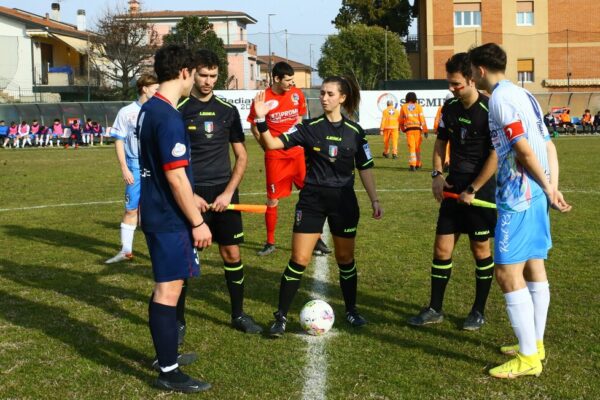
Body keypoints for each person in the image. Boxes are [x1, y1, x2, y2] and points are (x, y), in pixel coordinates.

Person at [469, 42, 571, 379]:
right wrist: (552, 187)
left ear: (480, 70)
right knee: (534, 269)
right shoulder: (525, 94)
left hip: (519, 199)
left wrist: (544, 186)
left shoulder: (499, 100)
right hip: (537, 196)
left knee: (506, 274)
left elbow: (525, 151)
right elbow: (549, 144)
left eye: (471, 71)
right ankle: (535, 344)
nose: (470, 77)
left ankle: (528, 358)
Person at [252, 75, 383, 338]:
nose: (324, 98)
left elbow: (365, 168)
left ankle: (352, 311)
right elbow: (272, 144)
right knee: (299, 259)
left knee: (345, 259)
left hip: (344, 202)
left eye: (330, 94)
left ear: (342, 98)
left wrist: (374, 199)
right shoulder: (309, 127)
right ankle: (280, 318)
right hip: (312, 201)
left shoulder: (355, 132)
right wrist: (260, 119)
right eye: (322, 93)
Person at [138, 44, 211, 393]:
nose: (195, 80)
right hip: (169, 218)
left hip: (158, 209)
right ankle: (168, 370)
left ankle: (165, 356)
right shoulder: (168, 115)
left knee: (168, 287)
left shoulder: (149, 108)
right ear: (184, 72)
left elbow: (163, 169)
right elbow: (174, 176)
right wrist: (196, 220)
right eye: (195, 73)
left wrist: (190, 194)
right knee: (168, 290)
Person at [408, 53, 497, 331]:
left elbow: (495, 156)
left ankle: (478, 311)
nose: (452, 88)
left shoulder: (490, 110)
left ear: (472, 79)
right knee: (441, 248)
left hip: (479, 191)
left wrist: (473, 189)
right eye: (450, 83)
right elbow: (440, 144)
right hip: (452, 188)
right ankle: (435, 308)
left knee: (480, 250)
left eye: (456, 84)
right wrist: (437, 174)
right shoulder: (450, 108)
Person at [176, 49, 262, 334]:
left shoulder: (228, 111)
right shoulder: (179, 111)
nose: (208, 81)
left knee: (232, 254)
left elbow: (242, 156)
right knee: (185, 260)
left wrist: (227, 194)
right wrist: (190, 195)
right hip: (191, 193)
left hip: (224, 192)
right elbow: (171, 163)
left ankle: (238, 315)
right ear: (192, 73)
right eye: (203, 75)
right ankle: (177, 322)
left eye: (213, 75)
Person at [248, 62, 331, 257]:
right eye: (287, 81)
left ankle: (316, 238)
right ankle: (270, 242)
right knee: (273, 200)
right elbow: (254, 126)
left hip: (297, 155)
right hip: (276, 157)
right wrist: (266, 146)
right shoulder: (263, 98)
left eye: (293, 81)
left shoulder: (297, 94)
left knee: (311, 195)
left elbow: (300, 120)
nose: (291, 84)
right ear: (276, 79)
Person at [105, 74, 159, 264]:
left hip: (155, 166)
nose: (158, 91)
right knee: (131, 209)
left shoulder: (159, 110)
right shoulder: (126, 112)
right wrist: (124, 168)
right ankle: (125, 251)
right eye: (155, 88)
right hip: (135, 165)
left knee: (154, 209)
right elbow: (118, 140)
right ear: (145, 88)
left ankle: (157, 251)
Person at [399, 92, 428, 171]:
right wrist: (425, 130)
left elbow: (400, 120)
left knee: (412, 147)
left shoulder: (404, 107)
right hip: (418, 130)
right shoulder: (418, 106)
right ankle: (418, 164)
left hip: (409, 130)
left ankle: (412, 165)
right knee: (417, 147)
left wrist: (402, 129)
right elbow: (422, 119)